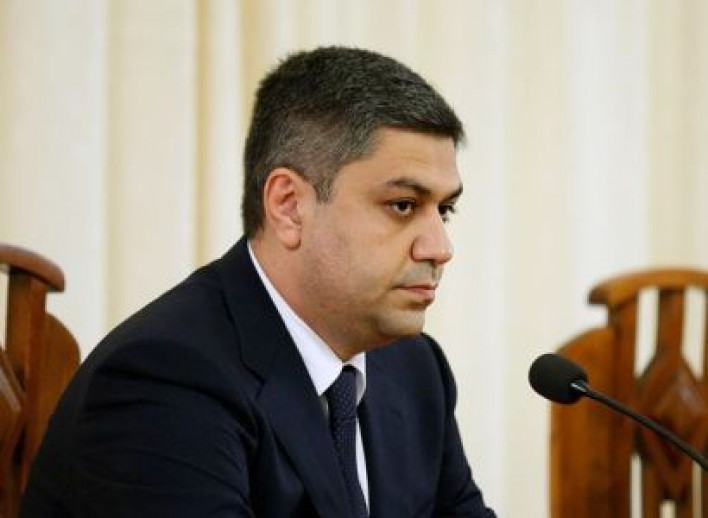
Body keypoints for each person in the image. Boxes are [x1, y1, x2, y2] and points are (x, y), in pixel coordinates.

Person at [21, 46, 496, 517]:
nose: (439, 248)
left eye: (444, 210)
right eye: (403, 206)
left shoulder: (415, 370)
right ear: (288, 206)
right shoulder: (166, 378)